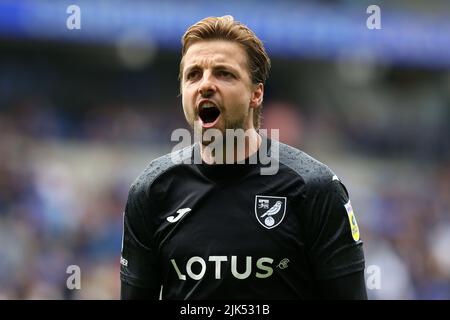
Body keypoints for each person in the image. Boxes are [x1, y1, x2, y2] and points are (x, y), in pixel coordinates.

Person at [120, 15, 367, 299]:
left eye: (224, 73)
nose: (205, 85)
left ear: (256, 94)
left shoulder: (315, 188)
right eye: (193, 74)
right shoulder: (152, 191)